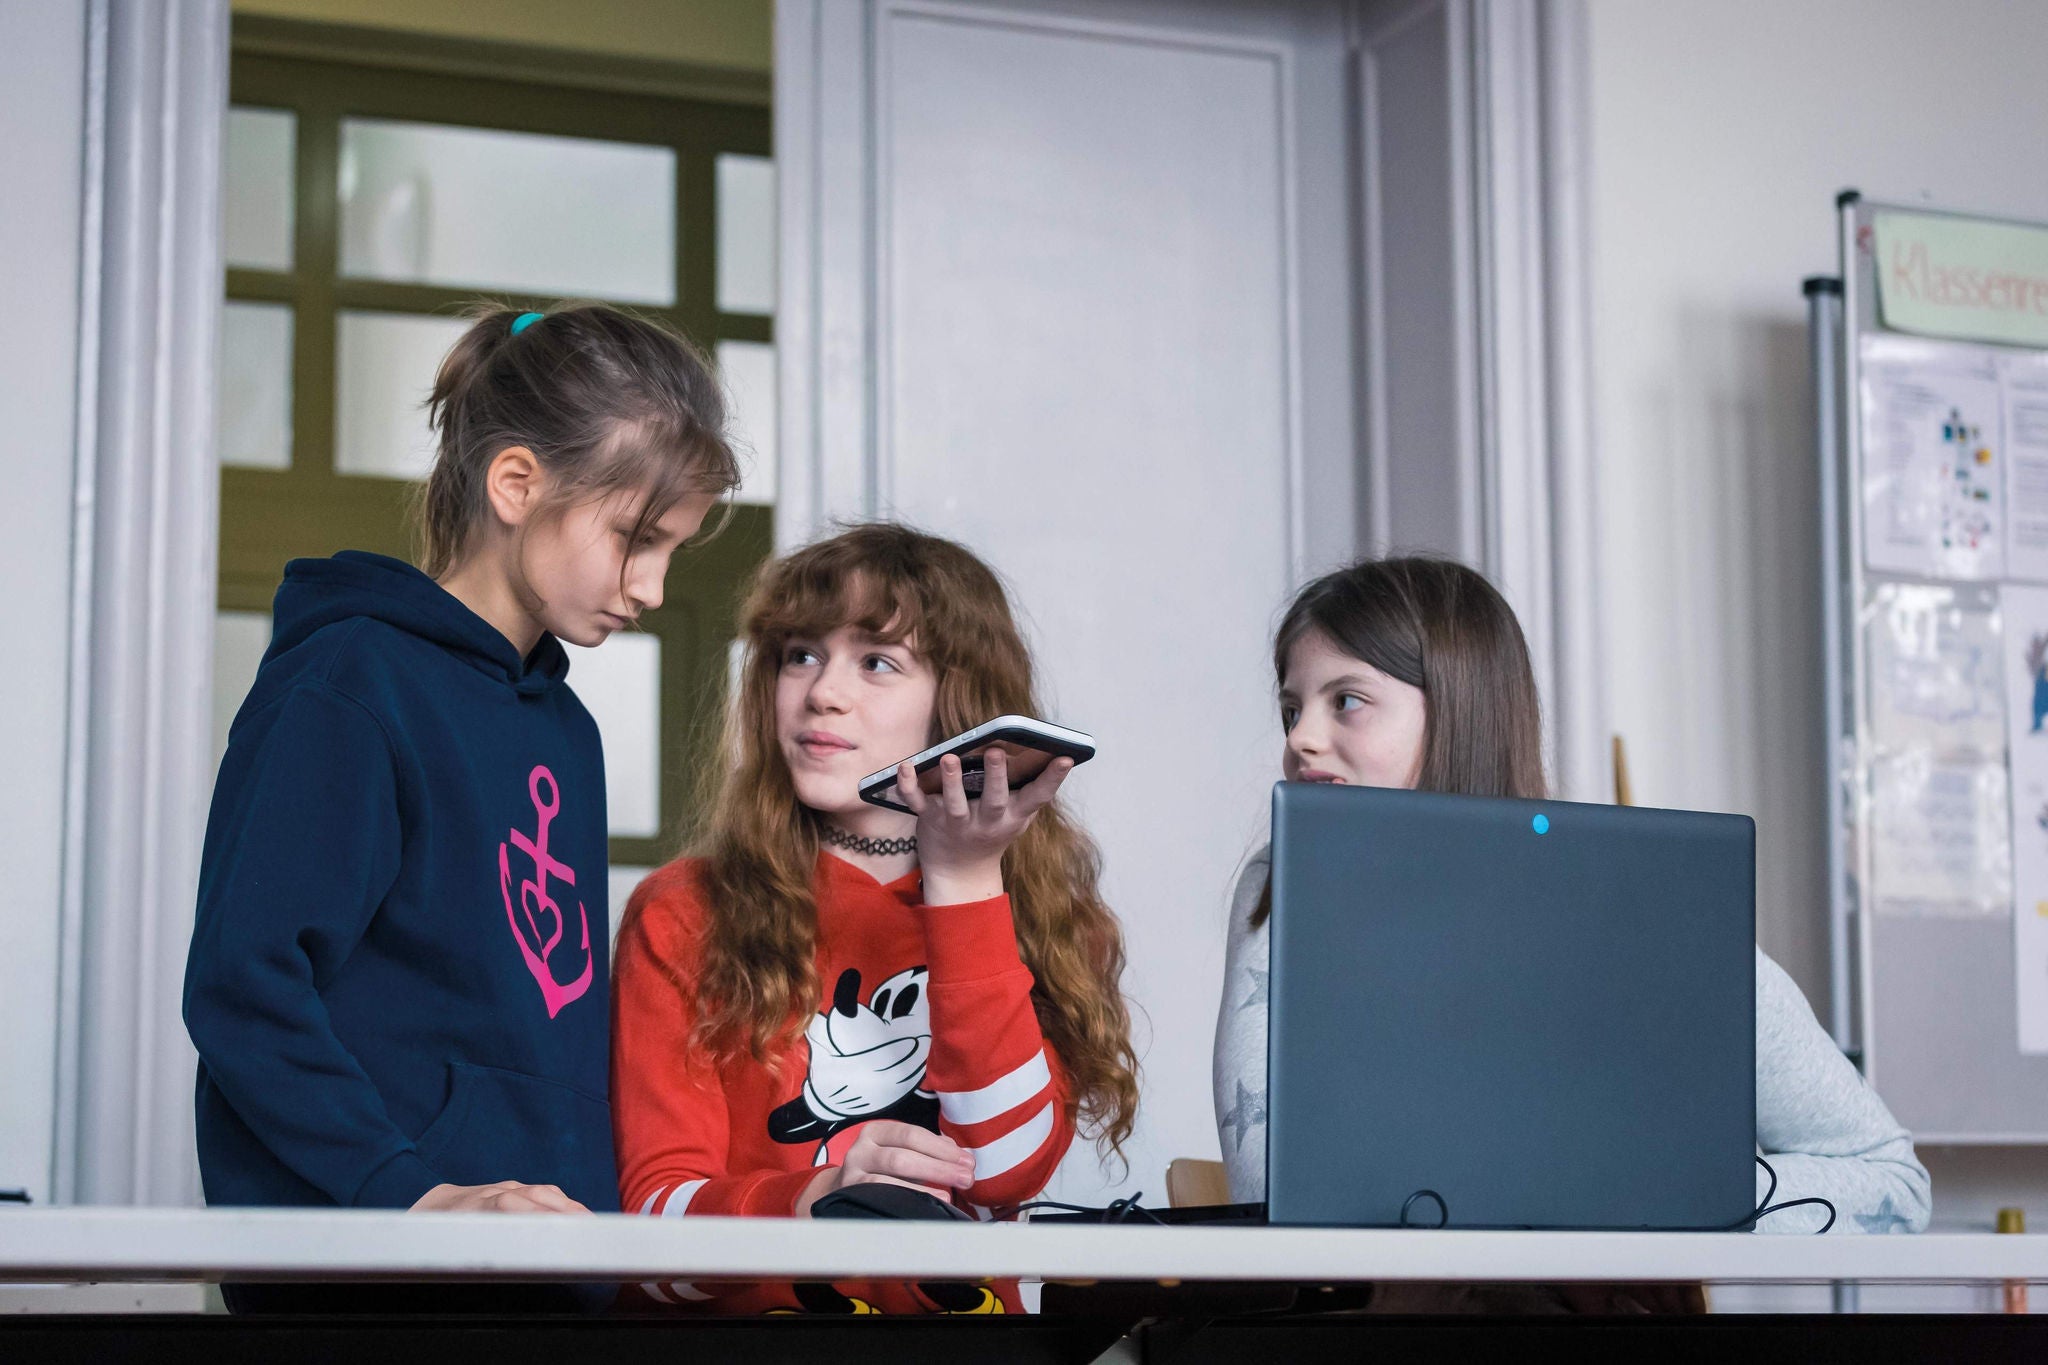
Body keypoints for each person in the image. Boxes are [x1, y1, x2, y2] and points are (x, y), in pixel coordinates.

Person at [184, 303, 738, 1234]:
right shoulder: (351, 684)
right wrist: (410, 1194)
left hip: (542, 1260)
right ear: (516, 483)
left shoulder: (568, 728)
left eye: (670, 551)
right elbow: (245, 985)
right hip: (380, 1263)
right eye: (636, 540)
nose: (653, 589)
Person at [1213, 556, 1932, 1237]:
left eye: (1347, 700)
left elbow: (1892, 1183)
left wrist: (1672, 1193)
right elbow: (1273, 1186)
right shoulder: (1283, 886)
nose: (1301, 737)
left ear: (1460, 709)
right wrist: (1560, 1190)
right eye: (1290, 709)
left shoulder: (1645, 918)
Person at [612, 522, 1138, 1314]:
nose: (823, 690)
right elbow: (653, 1243)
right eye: (801, 654)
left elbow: (1002, 1170)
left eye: (878, 661)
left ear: (957, 704)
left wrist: (963, 882)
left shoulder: (1047, 918)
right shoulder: (684, 909)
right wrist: (812, 1194)